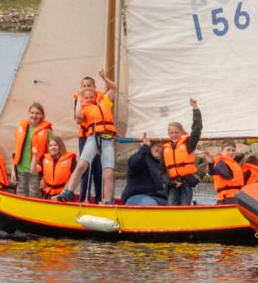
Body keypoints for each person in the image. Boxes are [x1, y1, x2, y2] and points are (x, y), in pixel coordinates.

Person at [60, 71, 117, 204]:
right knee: (81, 166)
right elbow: (78, 115)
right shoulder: (84, 107)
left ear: (96, 94)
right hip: (93, 138)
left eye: (92, 97)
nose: (90, 99)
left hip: (107, 139)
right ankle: (69, 192)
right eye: (87, 98)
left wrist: (104, 78)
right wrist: (80, 97)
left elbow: (114, 88)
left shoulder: (105, 101)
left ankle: (107, 201)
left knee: (108, 173)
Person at [161, 98, 203, 205]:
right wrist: (170, 182)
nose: (174, 135)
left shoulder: (188, 145)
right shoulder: (165, 149)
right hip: (173, 184)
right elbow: (162, 171)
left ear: (181, 133)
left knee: (184, 206)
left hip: (186, 183)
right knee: (172, 207)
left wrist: (195, 109)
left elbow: (197, 129)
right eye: (171, 133)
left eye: (176, 132)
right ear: (168, 134)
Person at [10, 102, 51, 198]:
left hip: (36, 171)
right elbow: (16, 151)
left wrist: (45, 177)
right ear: (28, 113)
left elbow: (50, 156)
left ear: (42, 115)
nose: (34, 115)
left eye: (37, 113)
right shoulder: (21, 128)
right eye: (32, 113)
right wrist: (12, 170)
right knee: (21, 195)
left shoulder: (47, 132)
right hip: (21, 169)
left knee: (34, 195)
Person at [121, 133, 170, 205]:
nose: (160, 150)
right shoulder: (143, 158)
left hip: (159, 198)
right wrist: (145, 147)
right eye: (158, 146)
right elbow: (133, 163)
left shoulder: (165, 164)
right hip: (137, 196)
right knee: (150, 204)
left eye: (163, 148)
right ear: (151, 146)